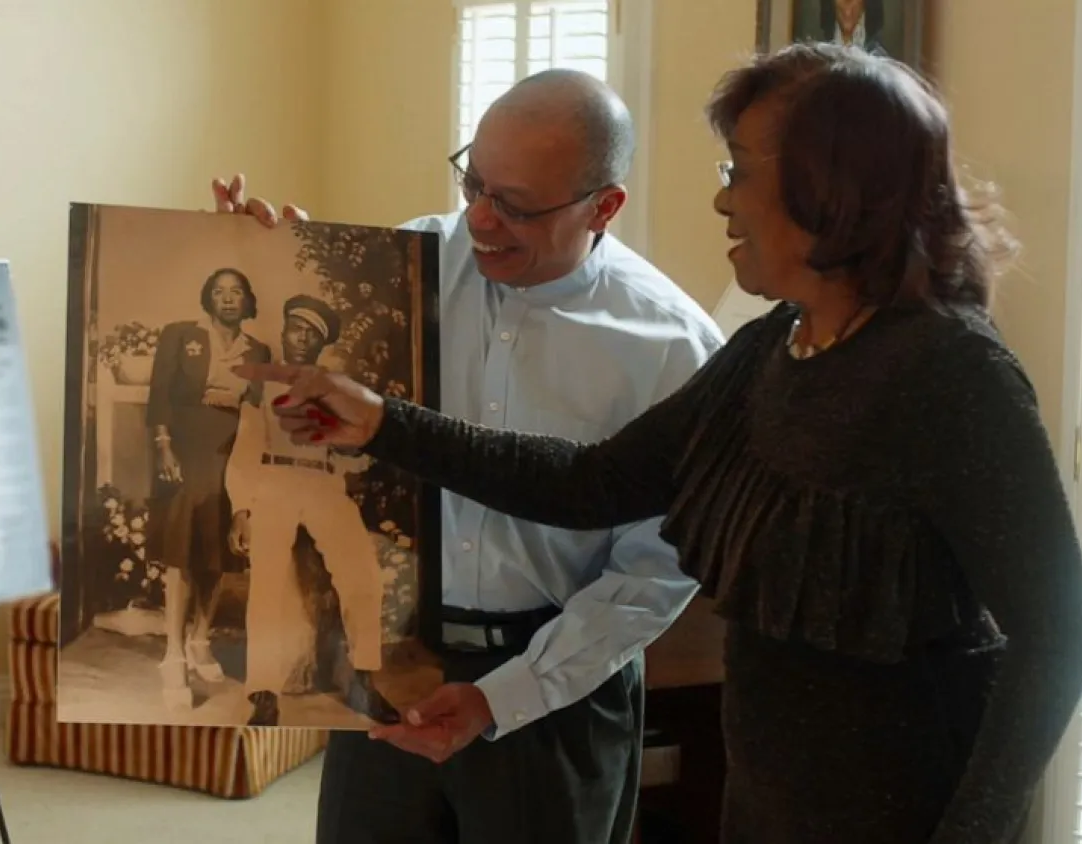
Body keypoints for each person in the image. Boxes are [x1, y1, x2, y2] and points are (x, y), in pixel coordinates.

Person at [235, 43, 1082, 844]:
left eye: (743, 172)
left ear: (831, 194)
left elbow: (1055, 637)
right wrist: (381, 415)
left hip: (894, 811)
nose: (723, 198)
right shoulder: (775, 346)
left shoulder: (952, 372)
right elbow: (594, 481)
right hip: (767, 808)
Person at [213, 67, 723, 844]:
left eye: (515, 206)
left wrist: (505, 695)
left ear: (605, 206)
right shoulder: (401, 269)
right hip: (388, 661)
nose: (481, 219)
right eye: (473, 183)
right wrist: (258, 258)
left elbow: (658, 567)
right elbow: (302, 382)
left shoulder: (674, 349)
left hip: (558, 688)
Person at [225, 294, 399, 727]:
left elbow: (356, 450)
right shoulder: (262, 383)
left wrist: (354, 456)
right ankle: (264, 692)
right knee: (267, 583)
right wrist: (241, 507)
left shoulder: (337, 387)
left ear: (321, 345)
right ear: (283, 331)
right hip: (273, 481)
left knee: (362, 575)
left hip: (323, 481)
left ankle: (363, 678)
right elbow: (246, 445)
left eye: (312, 334)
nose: (301, 338)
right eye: (295, 328)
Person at [144, 267, 271, 709]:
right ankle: (173, 655)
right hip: (185, 448)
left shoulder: (259, 350)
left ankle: (200, 638)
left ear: (247, 300)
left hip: (231, 454)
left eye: (237, 291)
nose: (228, 298)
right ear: (207, 298)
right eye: (219, 291)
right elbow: (160, 392)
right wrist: (164, 447)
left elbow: (257, 412)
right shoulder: (181, 335)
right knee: (181, 551)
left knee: (218, 551)